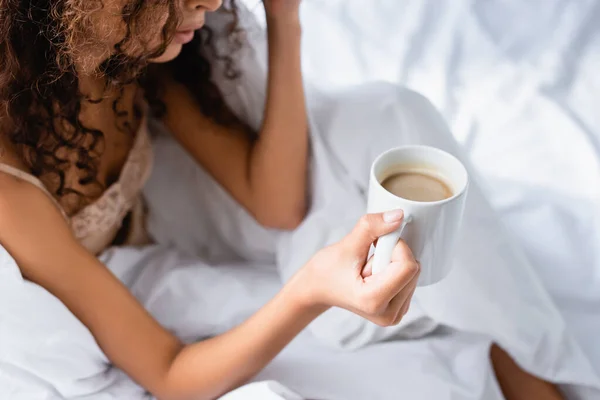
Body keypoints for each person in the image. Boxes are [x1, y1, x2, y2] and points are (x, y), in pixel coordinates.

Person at [0, 0, 563, 399]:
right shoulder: (10, 187)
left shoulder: (131, 59)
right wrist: (312, 290)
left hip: (163, 227)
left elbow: (276, 204)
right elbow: (170, 374)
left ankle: (524, 364)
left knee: (393, 115)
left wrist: (286, 18)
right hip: (121, 297)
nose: (209, 1)